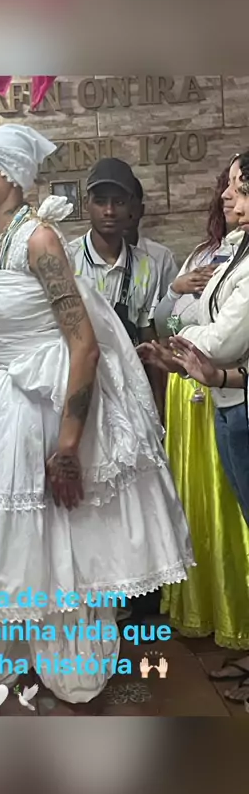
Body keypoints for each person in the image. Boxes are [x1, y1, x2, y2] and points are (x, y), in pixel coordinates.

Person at [0, 123, 193, 708]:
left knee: (58, 531)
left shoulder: (40, 240)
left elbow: (84, 345)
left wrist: (68, 446)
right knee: (5, 529)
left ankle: (67, 655)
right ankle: (16, 642)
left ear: (12, 177)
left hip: (45, 398)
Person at [137, 165, 249, 657]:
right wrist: (178, 305)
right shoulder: (218, 253)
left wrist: (184, 344)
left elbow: (223, 340)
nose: (228, 198)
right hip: (218, 393)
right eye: (227, 188)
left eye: (240, 189)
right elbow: (174, 318)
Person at [69, 158, 165, 414]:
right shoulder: (67, 261)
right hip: (79, 386)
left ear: (132, 207)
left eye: (119, 202)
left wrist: (159, 407)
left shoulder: (146, 266)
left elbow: (148, 335)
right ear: (86, 204)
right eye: (100, 201)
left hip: (130, 390)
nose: (109, 211)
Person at [124, 177, 178, 299]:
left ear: (141, 210)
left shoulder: (162, 258)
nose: (126, 214)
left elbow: (175, 307)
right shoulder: (81, 258)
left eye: (131, 207)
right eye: (120, 204)